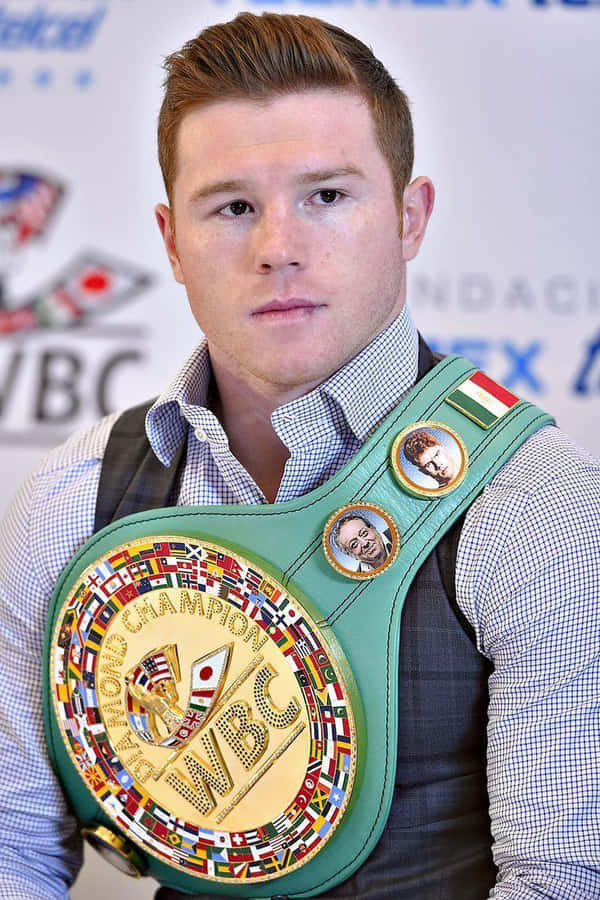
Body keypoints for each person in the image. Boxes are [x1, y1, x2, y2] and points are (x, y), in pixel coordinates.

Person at [0, 11, 598, 900]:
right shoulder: (73, 500)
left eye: (327, 195)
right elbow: (15, 849)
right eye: (233, 206)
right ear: (170, 241)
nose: (278, 248)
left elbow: (562, 881)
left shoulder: (537, 504)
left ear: (408, 215)